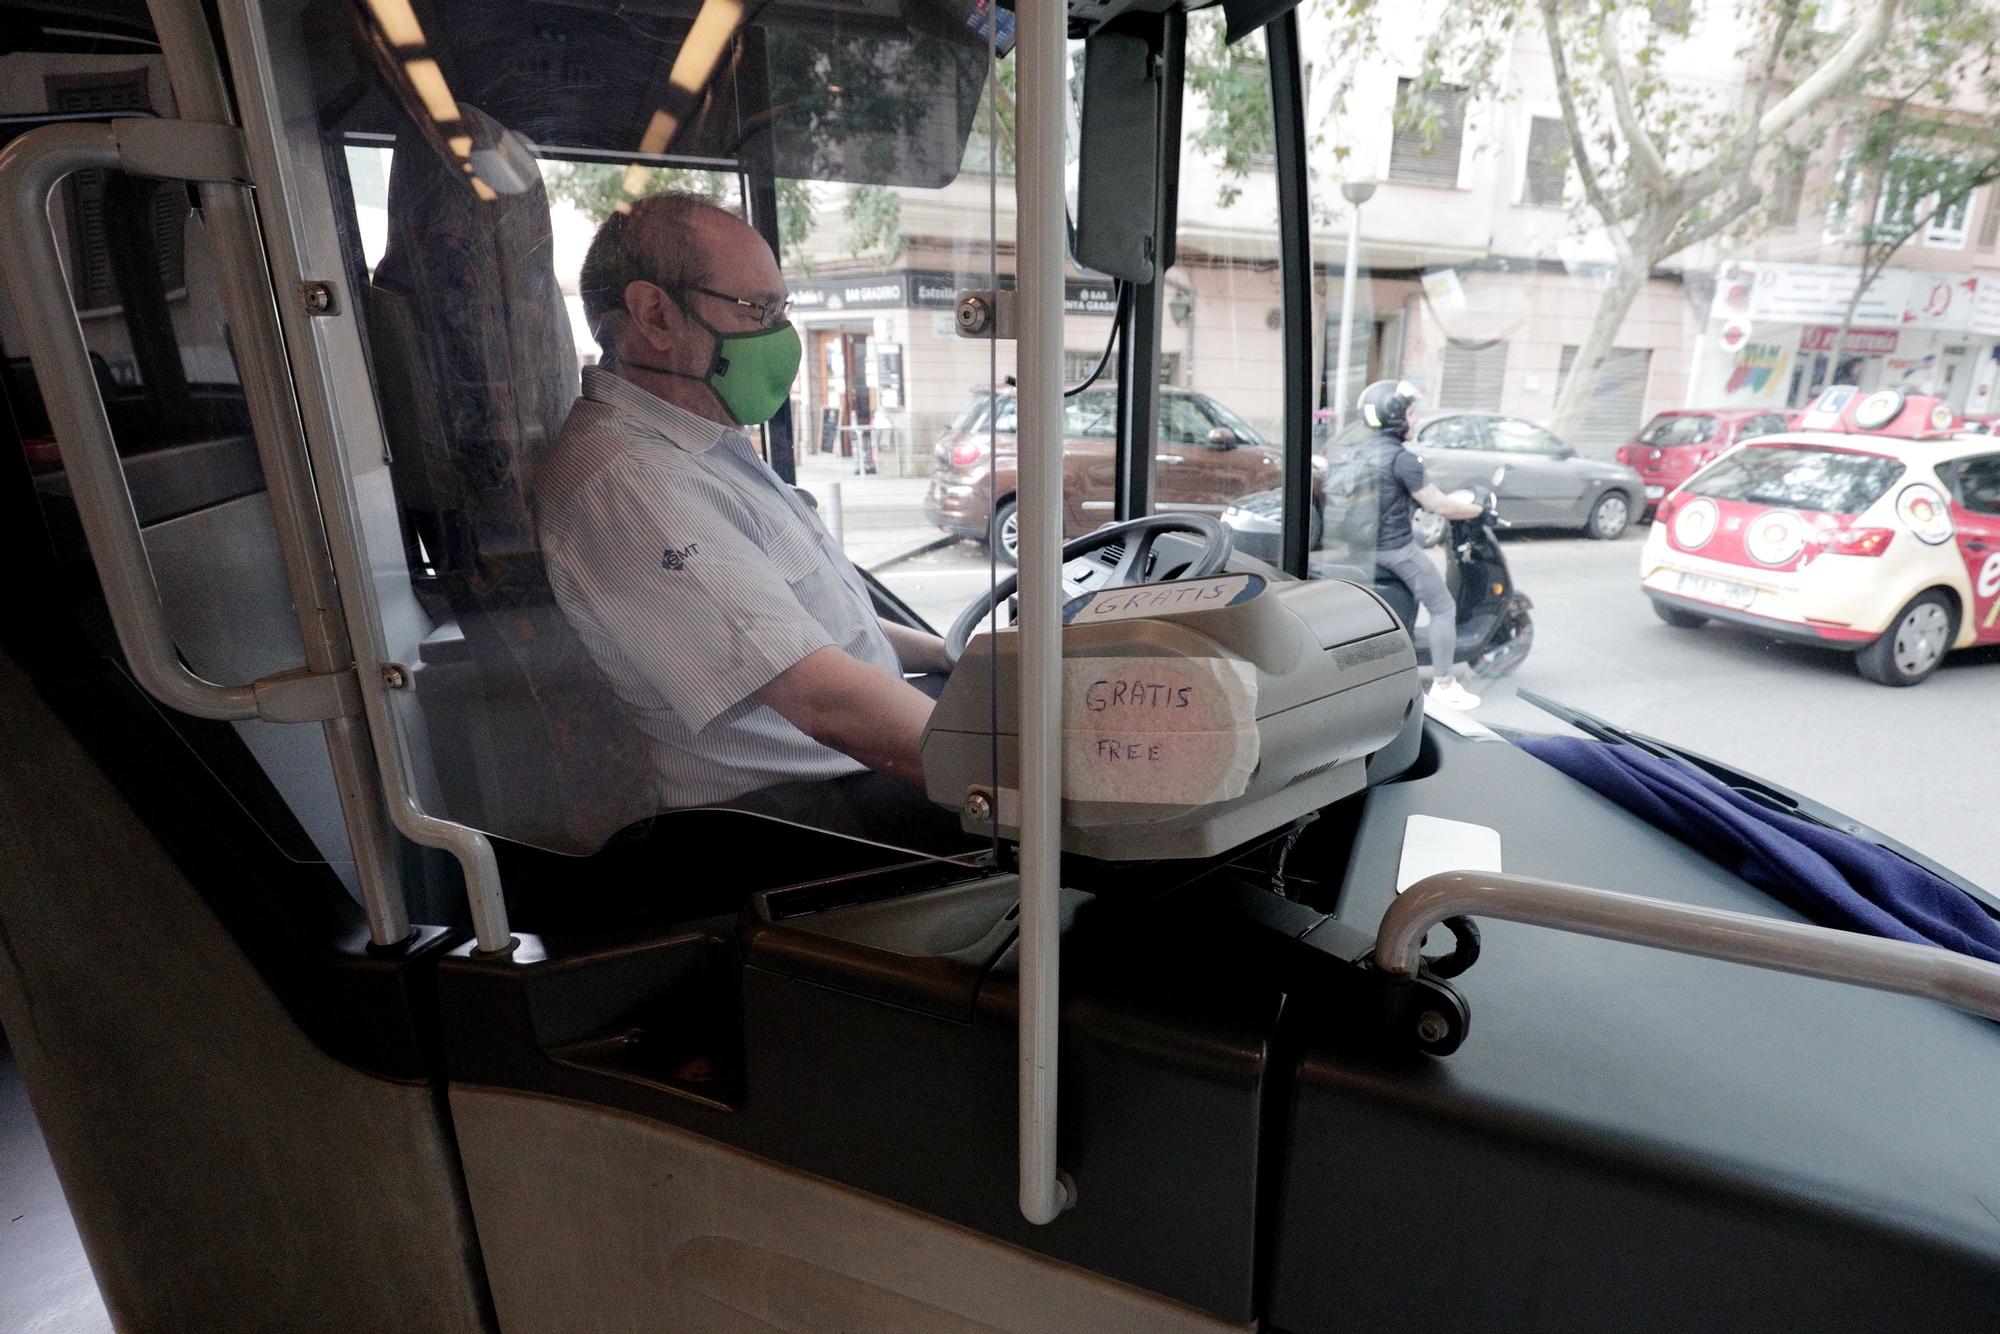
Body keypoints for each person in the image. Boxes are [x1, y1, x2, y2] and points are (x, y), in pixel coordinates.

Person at [535, 192, 967, 851]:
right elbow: (825, 703)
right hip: (796, 815)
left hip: (834, 771)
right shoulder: (633, 481)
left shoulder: (698, 441)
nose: (779, 336)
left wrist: (946, 654)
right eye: (758, 310)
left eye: (780, 310)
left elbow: (794, 620)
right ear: (655, 314)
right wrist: (1027, 779)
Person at [1353, 379, 1487, 711]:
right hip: (1394, 549)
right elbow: (1439, 505)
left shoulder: (1358, 452)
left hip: (1359, 547)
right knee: (1443, 607)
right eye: (1412, 414)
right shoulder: (1402, 459)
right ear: (1396, 417)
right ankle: (1444, 684)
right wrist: (1478, 510)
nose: (1416, 420)